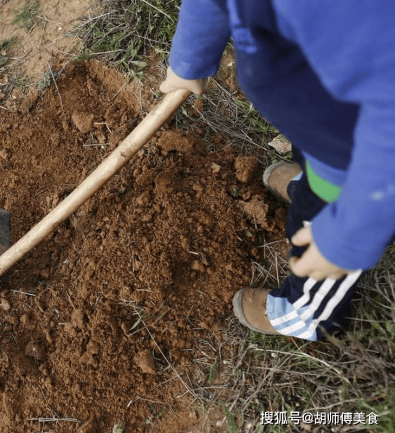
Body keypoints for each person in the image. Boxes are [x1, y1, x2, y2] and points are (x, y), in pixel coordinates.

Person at [159, 0, 395, 341]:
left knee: (321, 227)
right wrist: (189, 59)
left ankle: (310, 312)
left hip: (356, 161)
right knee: (313, 170)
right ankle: (315, 184)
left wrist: (349, 236)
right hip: (320, 127)